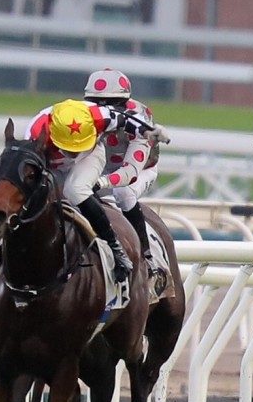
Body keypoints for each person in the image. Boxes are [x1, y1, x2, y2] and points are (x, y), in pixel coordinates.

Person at [25, 99, 140, 281]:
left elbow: (134, 120)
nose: (74, 153)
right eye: (70, 149)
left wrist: (150, 131)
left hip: (90, 156)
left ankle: (115, 247)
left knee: (75, 190)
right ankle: (4, 245)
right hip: (50, 162)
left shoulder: (100, 116)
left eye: (77, 148)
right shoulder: (35, 133)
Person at [83, 68, 171, 283]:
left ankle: (147, 258)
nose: (105, 111)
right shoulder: (82, 115)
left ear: (125, 102)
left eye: (113, 104)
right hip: (102, 168)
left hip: (138, 170)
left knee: (123, 193)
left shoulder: (140, 120)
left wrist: (101, 182)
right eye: (97, 103)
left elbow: (129, 172)